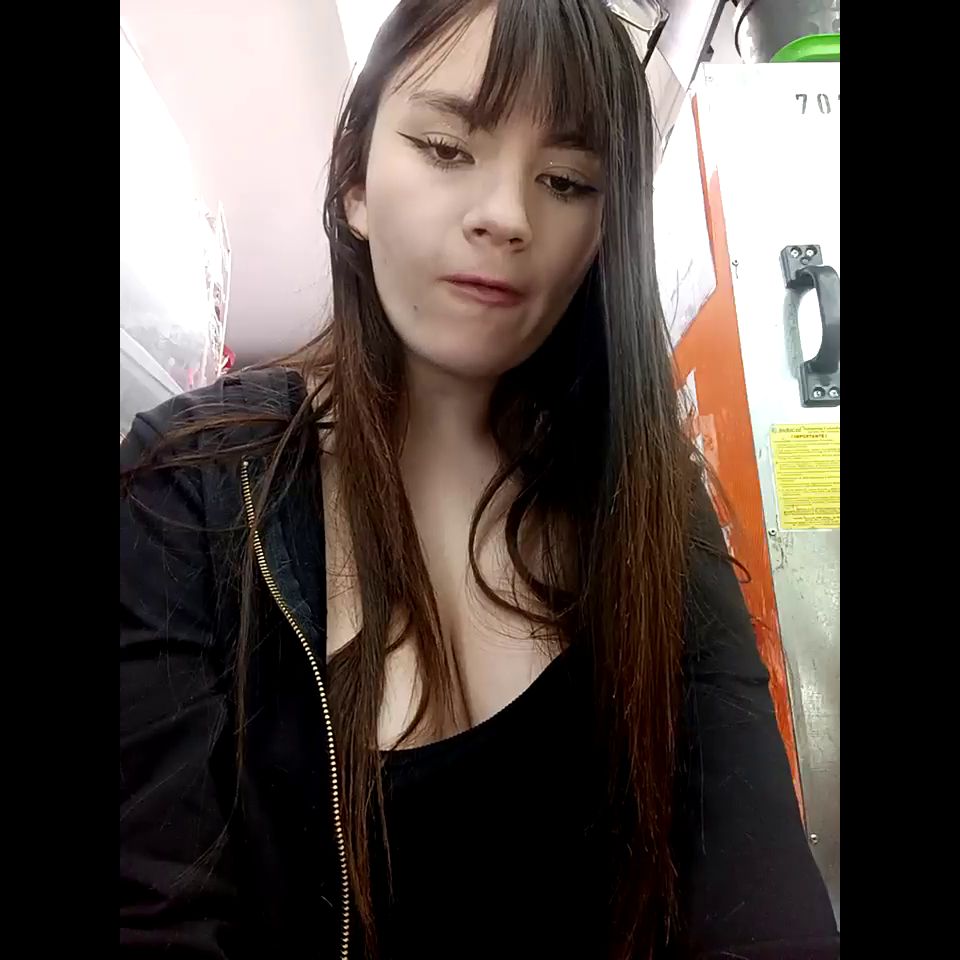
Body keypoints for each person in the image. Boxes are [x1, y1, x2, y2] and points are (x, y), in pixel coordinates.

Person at [120, 1, 840, 958]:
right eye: (447, 148)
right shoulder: (187, 487)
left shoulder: (647, 499)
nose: (506, 215)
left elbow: (761, 897)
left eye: (566, 180)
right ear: (355, 183)